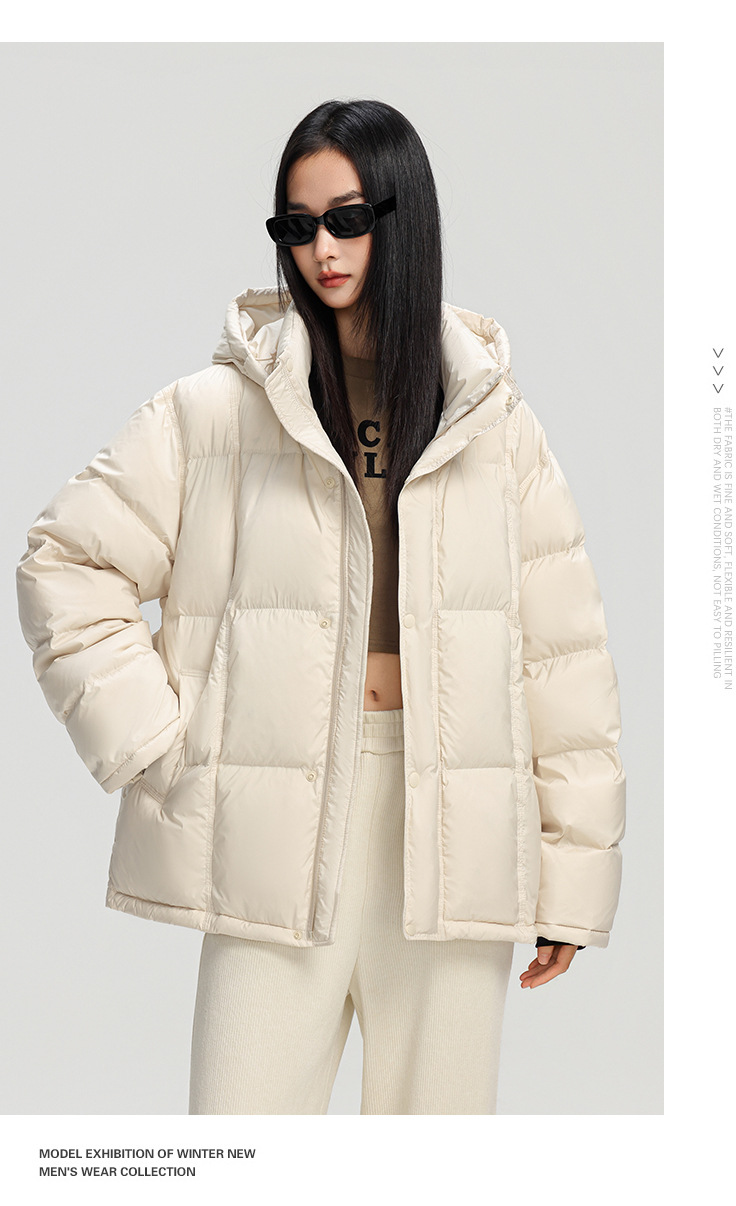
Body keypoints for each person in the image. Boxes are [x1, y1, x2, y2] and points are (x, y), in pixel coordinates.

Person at [16, 98, 626, 1115]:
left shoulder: (495, 425)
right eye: (297, 226)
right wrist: (158, 740)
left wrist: (573, 879)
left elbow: (563, 659)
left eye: (346, 219)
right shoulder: (217, 413)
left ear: (403, 217)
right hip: (276, 826)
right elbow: (65, 560)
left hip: (454, 831)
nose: (321, 250)